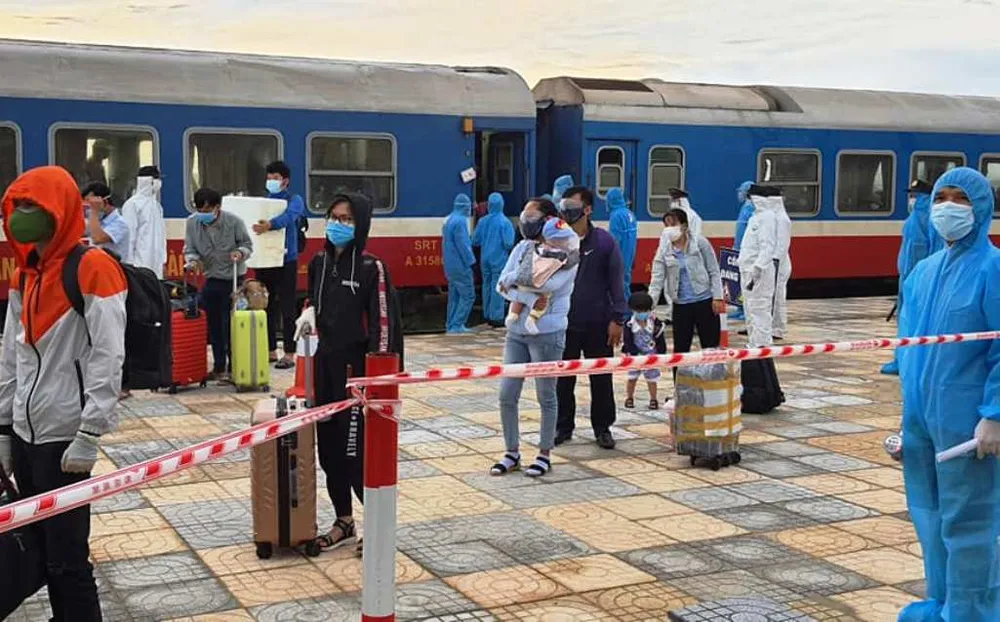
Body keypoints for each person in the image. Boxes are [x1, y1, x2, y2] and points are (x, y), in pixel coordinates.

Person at [0, 166, 127, 621]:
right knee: (40, 547)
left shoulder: (93, 267)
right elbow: (12, 355)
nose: (21, 216)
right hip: (26, 434)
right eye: (16, 206)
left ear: (59, 210)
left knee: (68, 556)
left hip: (66, 437)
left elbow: (108, 355)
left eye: (31, 206)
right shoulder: (26, 274)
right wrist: (4, 426)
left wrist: (91, 431)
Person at [896, 167, 1000, 622]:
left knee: (969, 520)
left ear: (982, 208)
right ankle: (940, 601)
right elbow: (909, 346)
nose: (947, 208)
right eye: (941, 197)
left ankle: (972, 610)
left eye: (961, 199)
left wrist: (995, 413)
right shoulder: (923, 273)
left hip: (966, 420)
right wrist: (907, 415)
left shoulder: (993, 268)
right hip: (921, 417)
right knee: (928, 514)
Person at [304, 193, 403, 551]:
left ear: (360, 224)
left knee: (356, 454)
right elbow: (314, 304)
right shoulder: (318, 262)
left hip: (357, 373)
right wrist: (307, 315)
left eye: (346, 219)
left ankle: (377, 528)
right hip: (324, 367)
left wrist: (377, 381)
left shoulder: (371, 267)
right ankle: (344, 521)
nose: (338, 224)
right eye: (333, 217)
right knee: (329, 452)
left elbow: (383, 325)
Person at [491, 198, 576, 478]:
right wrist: (528, 296)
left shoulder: (567, 255)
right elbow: (501, 284)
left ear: (548, 220)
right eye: (524, 215)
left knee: (546, 396)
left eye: (531, 216)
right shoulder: (522, 247)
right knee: (507, 394)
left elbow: (548, 285)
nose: (525, 221)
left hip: (548, 333)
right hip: (516, 333)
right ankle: (511, 452)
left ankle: (544, 453)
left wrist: (516, 284)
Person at [555, 186, 628, 449]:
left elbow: (617, 282)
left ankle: (603, 428)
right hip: (564, 322)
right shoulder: (557, 241)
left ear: (587, 210)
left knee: (601, 378)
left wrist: (618, 319)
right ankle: (562, 426)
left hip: (599, 322)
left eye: (573, 208)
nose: (567, 213)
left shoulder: (604, 242)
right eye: (564, 208)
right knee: (563, 378)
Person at [183, 187, 253, 382]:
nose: (203, 214)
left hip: (234, 279)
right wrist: (193, 261)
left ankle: (235, 366)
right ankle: (219, 365)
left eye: (207, 210)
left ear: (217, 207)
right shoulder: (192, 223)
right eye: (199, 210)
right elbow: (190, 249)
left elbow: (247, 245)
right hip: (212, 277)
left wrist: (240, 253)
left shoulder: (234, 222)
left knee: (230, 325)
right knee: (213, 324)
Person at [252, 161, 307, 369]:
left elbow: (289, 217)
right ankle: (271, 350)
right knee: (266, 305)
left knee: (287, 307)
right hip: (264, 260)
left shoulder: (295, 200)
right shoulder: (263, 202)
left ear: (285, 181)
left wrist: (270, 225)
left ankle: (290, 353)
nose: (271, 181)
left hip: (286, 260)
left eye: (275, 178)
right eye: (269, 178)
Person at [882, 179, 936, 375]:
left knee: (914, 320)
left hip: (919, 278)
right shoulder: (916, 216)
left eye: (915, 195)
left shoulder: (928, 216)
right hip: (908, 276)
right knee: (905, 320)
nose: (912, 198)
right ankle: (902, 358)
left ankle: (909, 361)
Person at [660, 208, 725, 354]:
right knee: (681, 349)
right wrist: (650, 304)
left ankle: (712, 370)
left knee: (710, 347)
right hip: (681, 305)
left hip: (704, 301)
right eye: (666, 225)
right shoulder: (665, 248)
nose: (669, 229)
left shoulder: (700, 242)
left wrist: (718, 297)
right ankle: (680, 371)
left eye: (673, 224)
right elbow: (657, 277)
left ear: (684, 226)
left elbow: (714, 270)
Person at [504, 214, 580, 334]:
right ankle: (524, 317)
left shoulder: (536, 247)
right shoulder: (558, 253)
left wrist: (512, 279)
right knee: (540, 300)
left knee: (525, 298)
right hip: (537, 280)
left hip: (527, 280)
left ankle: (519, 316)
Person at [738, 186, 779, 347]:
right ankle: (754, 343)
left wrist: (759, 267)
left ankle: (762, 346)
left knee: (759, 308)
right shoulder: (756, 217)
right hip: (748, 270)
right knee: (750, 309)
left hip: (758, 273)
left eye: (752, 198)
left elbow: (767, 246)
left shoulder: (767, 217)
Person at [472, 192, 515, 328]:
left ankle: (487, 313)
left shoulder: (482, 221)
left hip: (485, 258)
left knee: (486, 285)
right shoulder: (505, 222)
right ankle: (496, 317)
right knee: (498, 286)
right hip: (499, 259)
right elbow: (509, 243)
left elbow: (475, 240)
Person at [622, 292, 667, 410]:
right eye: (639, 311)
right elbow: (627, 340)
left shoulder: (655, 323)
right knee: (632, 378)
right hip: (634, 356)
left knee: (652, 379)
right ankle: (629, 397)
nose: (642, 313)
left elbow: (660, 338)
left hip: (651, 355)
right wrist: (633, 352)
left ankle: (653, 399)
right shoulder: (629, 324)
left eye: (645, 310)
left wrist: (661, 354)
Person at [121, 165, 167, 278]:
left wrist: (163, 261)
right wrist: (129, 264)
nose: (159, 182)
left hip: (156, 264)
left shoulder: (156, 206)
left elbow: (161, 236)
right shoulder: (132, 204)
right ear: (149, 181)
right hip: (139, 264)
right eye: (157, 179)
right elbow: (129, 237)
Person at [442, 193, 476, 334]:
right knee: (468, 295)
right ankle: (457, 324)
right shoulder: (461, 221)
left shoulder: (448, 219)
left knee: (454, 296)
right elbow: (463, 245)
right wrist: (471, 261)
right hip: (460, 265)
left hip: (449, 265)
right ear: (465, 207)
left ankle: (450, 324)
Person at [82, 181, 130, 260]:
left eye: (92, 204)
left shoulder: (120, 224)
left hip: (115, 266)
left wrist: (94, 211)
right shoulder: (97, 221)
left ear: (105, 201)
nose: (89, 210)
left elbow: (97, 238)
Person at [730, 181, 755, 321]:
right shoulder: (745, 207)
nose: (739, 194)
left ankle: (746, 310)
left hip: (746, 249)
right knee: (740, 281)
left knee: (746, 282)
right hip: (739, 248)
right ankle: (740, 307)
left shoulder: (751, 208)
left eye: (741, 191)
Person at [649, 212, 679, 321]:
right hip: (670, 261)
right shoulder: (677, 230)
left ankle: (648, 312)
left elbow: (664, 249)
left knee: (657, 287)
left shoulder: (668, 231)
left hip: (665, 261)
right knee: (671, 289)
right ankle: (673, 314)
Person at [608, 187, 638, 295]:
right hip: (629, 254)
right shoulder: (630, 213)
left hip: (620, 255)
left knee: (618, 285)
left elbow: (614, 240)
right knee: (625, 282)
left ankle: (624, 305)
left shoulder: (615, 216)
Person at [772, 192, 793, 341]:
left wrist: (774, 262)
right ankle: (770, 326)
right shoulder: (773, 218)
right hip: (772, 264)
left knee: (778, 298)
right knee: (770, 298)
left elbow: (782, 245)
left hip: (779, 265)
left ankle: (778, 328)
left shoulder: (782, 220)